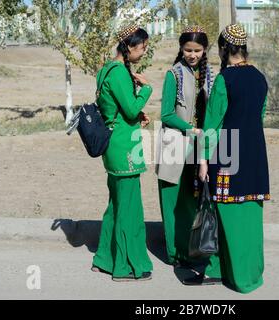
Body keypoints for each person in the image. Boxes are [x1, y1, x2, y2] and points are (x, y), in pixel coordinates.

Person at [183, 24, 270, 293]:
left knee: (226, 216)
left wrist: (204, 160)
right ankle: (250, 274)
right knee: (250, 218)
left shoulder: (224, 80)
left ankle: (234, 276)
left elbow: (212, 124)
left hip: (229, 154)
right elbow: (261, 115)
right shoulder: (260, 77)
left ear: (223, 49)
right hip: (255, 154)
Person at [91, 24, 154, 281]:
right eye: (143, 47)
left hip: (114, 143)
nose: (144, 52)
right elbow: (128, 110)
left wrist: (136, 112)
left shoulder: (107, 68)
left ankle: (104, 258)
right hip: (124, 147)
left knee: (116, 205)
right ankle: (126, 267)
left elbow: (114, 108)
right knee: (129, 208)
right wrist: (147, 90)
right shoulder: (118, 73)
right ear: (128, 47)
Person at [155, 26, 215, 266]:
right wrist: (190, 128)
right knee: (171, 202)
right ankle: (174, 254)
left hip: (196, 147)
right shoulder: (174, 74)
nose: (192, 54)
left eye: (197, 50)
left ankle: (190, 248)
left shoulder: (206, 74)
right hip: (174, 144)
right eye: (188, 50)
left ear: (204, 50)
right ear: (181, 48)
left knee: (191, 200)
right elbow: (166, 114)